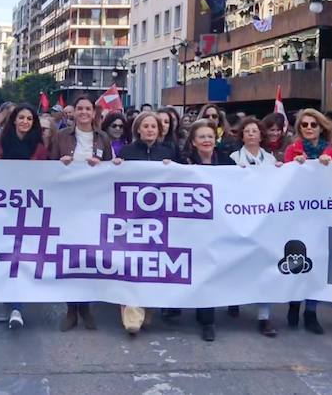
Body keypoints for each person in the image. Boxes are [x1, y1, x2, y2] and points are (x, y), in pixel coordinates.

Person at [186, 118, 277, 340]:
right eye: (202, 137)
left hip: (222, 222)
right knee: (201, 267)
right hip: (195, 224)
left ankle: (209, 315)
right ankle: (206, 318)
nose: (206, 140)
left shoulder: (226, 162)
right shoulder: (184, 161)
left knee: (214, 267)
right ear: (194, 142)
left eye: (210, 136)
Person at [50, 96, 112, 331]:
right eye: (80, 108)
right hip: (67, 204)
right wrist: (60, 162)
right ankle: (71, 309)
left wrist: (106, 165)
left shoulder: (103, 137)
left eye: (88, 109)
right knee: (69, 255)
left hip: (93, 204)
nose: (84, 112)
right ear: (73, 112)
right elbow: (49, 165)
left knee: (89, 256)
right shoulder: (62, 135)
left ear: (93, 112)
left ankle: (86, 307)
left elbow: (110, 170)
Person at [0, 104, 47, 330]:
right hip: (3, 207)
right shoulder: (1, 142)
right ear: (14, 120)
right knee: (4, 255)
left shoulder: (39, 146)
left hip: (28, 207)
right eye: (21, 118)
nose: (25, 122)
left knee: (21, 256)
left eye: (29, 118)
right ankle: (5, 300)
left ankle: (17, 307)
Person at [112, 112, 175, 336]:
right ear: (138, 129)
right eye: (145, 126)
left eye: (154, 126)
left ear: (159, 131)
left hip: (159, 218)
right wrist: (116, 166)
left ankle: (147, 308)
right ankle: (131, 314)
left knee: (153, 263)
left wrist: (173, 167)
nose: (150, 129)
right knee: (131, 261)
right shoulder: (127, 152)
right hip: (133, 218)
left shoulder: (168, 152)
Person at [283, 108, 332, 333]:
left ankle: (311, 311)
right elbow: (284, 181)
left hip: (322, 215)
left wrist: (329, 166)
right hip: (297, 214)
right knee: (297, 257)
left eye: (313, 125)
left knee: (318, 260)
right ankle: (294, 304)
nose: (308, 128)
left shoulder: (331, 152)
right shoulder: (291, 150)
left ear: (321, 127)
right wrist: (293, 166)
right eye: (304, 125)